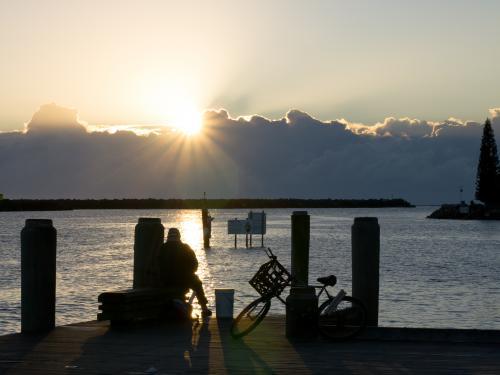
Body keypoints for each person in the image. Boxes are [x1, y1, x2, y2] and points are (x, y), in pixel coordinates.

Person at [157, 228, 212, 317]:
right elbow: (195, 264)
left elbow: (158, 264)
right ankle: (204, 308)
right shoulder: (185, 247)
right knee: (198, 284)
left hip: (166, 281)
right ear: (179, 237)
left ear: (168, 237)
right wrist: (189, 272)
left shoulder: (162, 248)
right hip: (184, 279)